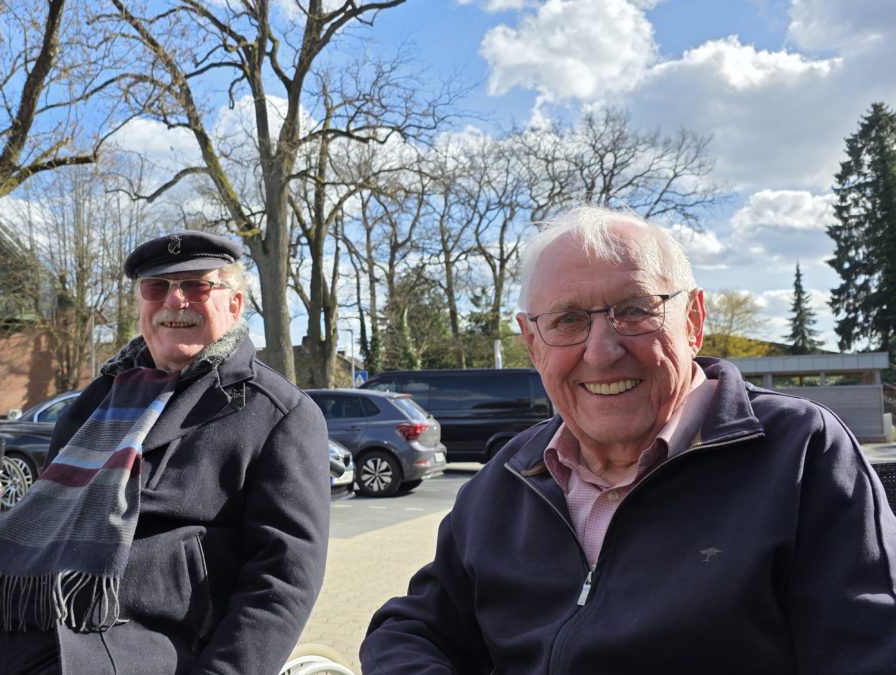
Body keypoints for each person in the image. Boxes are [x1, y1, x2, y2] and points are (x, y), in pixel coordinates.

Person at [360, 205, 896, 674]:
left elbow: (869, 652)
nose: (601, 351)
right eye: (568, 320)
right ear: (532, 344)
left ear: (692, 319)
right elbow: (411, 630)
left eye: (634, 309)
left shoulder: (799, 452)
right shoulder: (511, 475)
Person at [0, 231, 331, 674]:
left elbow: (282, 580)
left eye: (196, 286)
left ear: (233, 305)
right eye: (157, 288)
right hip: (12, 617)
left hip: (129, 637)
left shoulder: (280, 414)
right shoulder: (97, 401)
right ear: (141, 304)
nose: (174, 302)